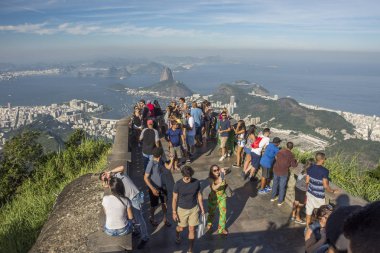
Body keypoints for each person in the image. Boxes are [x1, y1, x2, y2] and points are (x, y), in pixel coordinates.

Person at [99, 166, 149, 248]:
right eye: (103, 178)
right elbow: (112, 190)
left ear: (106, 172)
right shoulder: (112, 182)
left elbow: (122, 167)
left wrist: (110, 172)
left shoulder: (118, 174)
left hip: (134, 197)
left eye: (104, 174)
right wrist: (106, 184)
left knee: (139, 217)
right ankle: (137, 231)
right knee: (132, 217)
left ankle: (145, 237)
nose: (106, 177)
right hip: (128, 199)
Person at [172, 166, 205, 253]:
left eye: (190, 177)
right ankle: (177, 234)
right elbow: (174, 199)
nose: (189, 179)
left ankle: (190, 250)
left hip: (194, 209)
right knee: (181, 228)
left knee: (191, 229)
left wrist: (202, 208)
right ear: (183, 175)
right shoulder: (178, 184)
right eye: (187, 178)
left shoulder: (196, 182)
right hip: (182, 210)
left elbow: (199, 195)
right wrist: (174, 212)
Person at [305, 152, 339, 227]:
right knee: (321, 213)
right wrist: (333, 191)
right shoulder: (325, 171)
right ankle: (319, 230)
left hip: (310, 193)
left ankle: (307, 227)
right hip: (319, 196)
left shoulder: (310, 168)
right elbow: (326, 186)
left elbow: (307, 181)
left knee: (309, 211)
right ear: (322, 160)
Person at [144, 147, 172, 227]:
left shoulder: (161, 160)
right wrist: (152, 189)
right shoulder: (151, 163)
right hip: (154, 188)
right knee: (153, 205)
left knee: (164, 203)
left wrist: (172, 159)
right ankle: (152, 218)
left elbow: (168, 167)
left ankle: (165, 218)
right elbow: (145, 178)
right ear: (160, 155)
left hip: (163, 186)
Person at [291, 158, 314, 225]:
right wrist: (307, 191)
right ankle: (297, 218)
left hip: (297, 187)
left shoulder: (302, 167)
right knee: (300, 205)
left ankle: (293, 215)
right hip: (302, 189)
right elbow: (307, 182)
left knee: (296, 202)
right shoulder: (309, 172)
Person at [207, 165, 228, 235]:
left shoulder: (221, 175)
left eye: (217, 169)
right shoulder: (210, 179)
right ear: (211, 172)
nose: (216, 171)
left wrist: (223, 169)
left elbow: (230, 169)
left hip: (222, 197)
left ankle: (221, 229)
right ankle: (209, 223)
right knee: (212, 212)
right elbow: (214, 188)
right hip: (214, 197)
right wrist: (220, 181)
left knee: (223, 213)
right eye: (214, 170)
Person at [251, 128, 270, 194]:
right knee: (254, 166)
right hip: (257, 153)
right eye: (269, 133)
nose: (269, 134)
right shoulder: (267, 139)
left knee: (252, 164)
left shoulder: (260, 135)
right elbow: (266, 148)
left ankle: (250, 175)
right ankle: (250, 177)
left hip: (252, 150)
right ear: (267, 133)